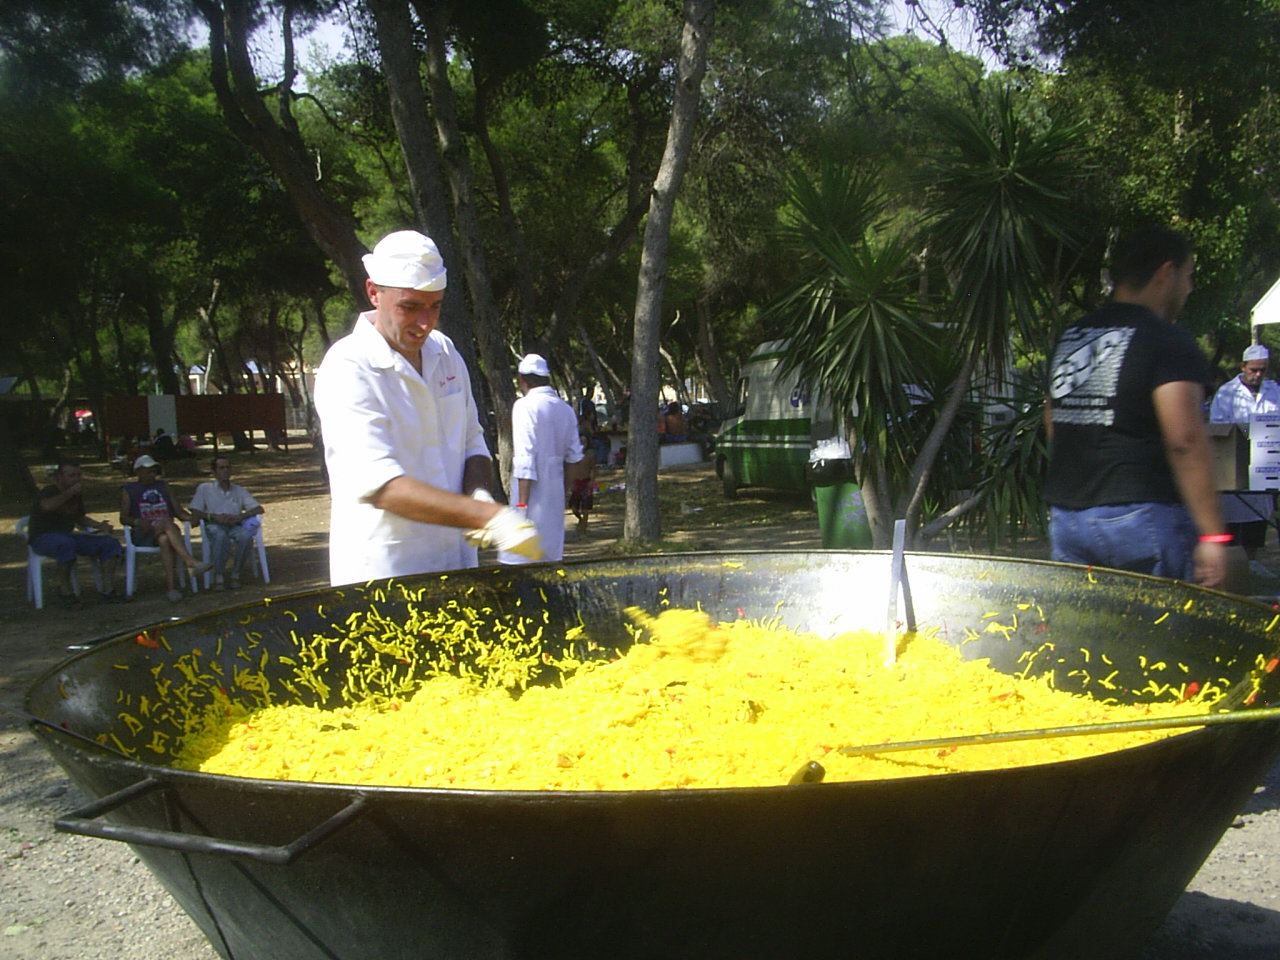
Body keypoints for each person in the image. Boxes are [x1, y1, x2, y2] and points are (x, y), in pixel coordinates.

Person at [313, 229, 540, 585]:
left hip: (456, 562)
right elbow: (380, 485)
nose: (425, 323)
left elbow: (471, 441)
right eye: (410, 307)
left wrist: (477, 490)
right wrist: (484, 515)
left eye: (435, 305)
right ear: (374, 293)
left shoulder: (445, 352)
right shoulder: (349, 366)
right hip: (387, 571)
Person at [1045, 226, 1229, 588]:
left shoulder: (1074, 335)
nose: (1189, 289)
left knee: (1088, 637)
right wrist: (1212, 535)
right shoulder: (1166, 340)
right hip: (1142, 516)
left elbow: (1052, 420)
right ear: (1166, 272)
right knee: (1159, 636)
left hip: (1068, 516)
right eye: (1188, 276)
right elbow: (1185, 440)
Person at [499, 354, 585, 564]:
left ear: (521, 379)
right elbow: (574, 458)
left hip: (529, 498)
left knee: (519, 564)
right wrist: (563, 493)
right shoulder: (565, 410)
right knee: (550, 561)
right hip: (554, 498)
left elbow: (524, 459)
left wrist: (520, 507)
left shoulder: (524, 406)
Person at [28, 460, 126, 606]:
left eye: (78, 475)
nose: (76, 479)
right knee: (65, 544)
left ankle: (108, 590)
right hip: (43, 538)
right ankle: (65, 592)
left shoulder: (76, 495)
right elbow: (47, 506)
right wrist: (69, 493)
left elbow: (79, 517)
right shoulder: (49, 492)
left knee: (109, 543)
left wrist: (100, 525)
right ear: (59, 477)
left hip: (68, 536)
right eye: (71, 476)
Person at [120, 455, 211, 602]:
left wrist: (191, 518)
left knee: (164, 539)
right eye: (147, 471)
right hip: (144, 531)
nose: (152, 474)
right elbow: (123, 517)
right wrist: (137, 522)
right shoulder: (130, 490)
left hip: (166, 532)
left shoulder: (164, 487)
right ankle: (190, 561)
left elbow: (179, 512)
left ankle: (172, 589)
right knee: (166, 521)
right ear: (138, 472)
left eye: (153, 471)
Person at [188, 456, 264, 590]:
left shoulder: (238, 490)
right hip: (214, 524)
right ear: (214, 471)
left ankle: (236, 573)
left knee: (246, 537)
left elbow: (258, 508)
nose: (225, 471)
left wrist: (241, 516)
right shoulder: (205, 488)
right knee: (220, 536)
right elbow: (195, 510)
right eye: (221, 468)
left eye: (228, 467)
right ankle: (219, 575)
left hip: (234, 524)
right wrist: (213, 517)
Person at [1209, 344, 1280, 423]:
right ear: (1243, 367)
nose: (1258, 374)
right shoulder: (1226, 393)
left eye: (1262, 370)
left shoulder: (1275, 390)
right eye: (1254, 370)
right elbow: (1217, 425)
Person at [569, 430, 598, 535]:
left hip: (586, 482)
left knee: (585, 508)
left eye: (584, 442)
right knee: (574, 508)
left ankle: (583, 529)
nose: (582, 444)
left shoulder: (590, 455)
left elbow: (593, 469)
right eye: (580, 442)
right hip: (576, 483)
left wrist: (592, 481)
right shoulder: (573, 455)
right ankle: (580, 519)